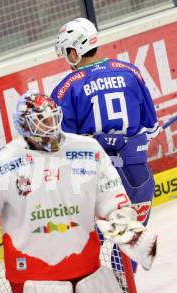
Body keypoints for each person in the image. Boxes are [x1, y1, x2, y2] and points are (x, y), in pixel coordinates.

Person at [0, 92, 157, 293]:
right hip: (31, 277)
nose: (50, 128)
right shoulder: (3, 163)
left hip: (85, 269)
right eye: (41, 122)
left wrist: (130, 233)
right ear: (23, 126)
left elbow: (110, 200)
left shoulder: (87, 149)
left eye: (53, 119)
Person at [51, 17, 159, 240]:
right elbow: (152, 128)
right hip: (137, 176)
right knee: (130, 245)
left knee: (86, 250)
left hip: (96, 181)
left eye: (67, 53)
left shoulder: (66, 89)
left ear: (75, 52)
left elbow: (61, 146)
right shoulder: (131, 72)